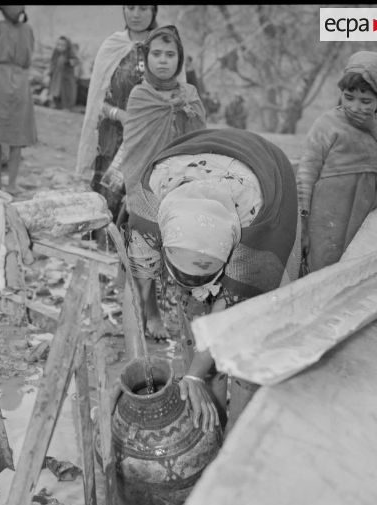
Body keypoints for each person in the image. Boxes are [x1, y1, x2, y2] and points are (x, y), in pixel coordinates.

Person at [125, 127, 301, 432]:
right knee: (193, 323)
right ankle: (209, 424)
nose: (197, 286)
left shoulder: (258, 232)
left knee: (247, 338)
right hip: (187, 184)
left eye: (207, 272)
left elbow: (228, 312)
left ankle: (238, 435)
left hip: (267, 179)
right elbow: (136, 288)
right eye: (182, 273)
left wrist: (193, 374)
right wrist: (137, 369)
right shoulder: (149, 208)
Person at [121, 24, 206, 340]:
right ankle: (140, 325)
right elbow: (134, 146)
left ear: (179, 59)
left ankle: (189, 329)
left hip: (182, 189)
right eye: (156, 53)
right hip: (145, 188)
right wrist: (133, 189)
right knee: (144, 262)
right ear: (145, 58)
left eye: (170, 54)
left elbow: (200, 142)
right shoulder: (140, 95)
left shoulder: (190, 96)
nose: (163, 60)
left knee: (185, 259)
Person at [297, 51, 377, 273]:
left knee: (357, 273)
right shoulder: (327, 123)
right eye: (349, 97)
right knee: (322, 272)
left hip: (368, 221)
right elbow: (307, 172)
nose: (355, 107)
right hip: (327, 218)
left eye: (366, 101)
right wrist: (304, 223)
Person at [75, 5, 159, 224]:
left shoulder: (163, 47)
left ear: (154, 11)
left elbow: (176, 96)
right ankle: (101, 243)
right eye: (130, 7)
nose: (136, 14)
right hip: (111, 140)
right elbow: (96, 101)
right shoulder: (112, 46)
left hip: (149, 139)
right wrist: (118, 114)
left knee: (140, 208)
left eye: (143, 8)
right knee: (105, 204)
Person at [0, 5, 37, 195]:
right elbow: (28, 57)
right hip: (19, 80)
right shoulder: (27, 30)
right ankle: (12, 183)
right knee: (17, 136)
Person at [48, 36, 79, 110]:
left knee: (67, 92)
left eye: (62, 45)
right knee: (56, 90)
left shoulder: (69, 52)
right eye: (58, 44)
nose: (60, 47)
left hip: (66, 77)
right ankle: (56, 104)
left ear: (67, 46)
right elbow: (52, 62)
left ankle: (67, 106)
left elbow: (75, 61)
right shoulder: (56, 52)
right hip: (57, 75)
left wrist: (69, 62)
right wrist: (50, 71)